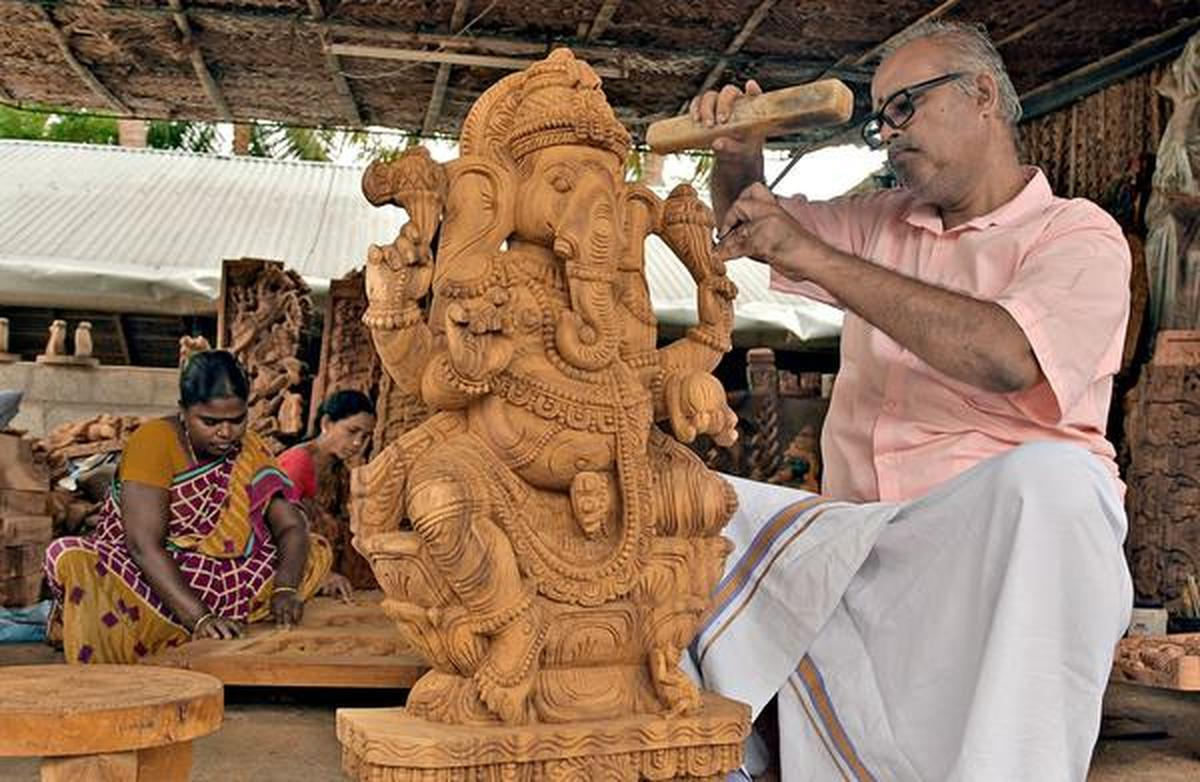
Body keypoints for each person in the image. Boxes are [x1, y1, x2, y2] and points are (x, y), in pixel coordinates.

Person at [686, 20, 1133, 781]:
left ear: (983, 95)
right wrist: (736, 158)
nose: (886, 135)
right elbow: (749, 230)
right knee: (684, 501)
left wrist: (818, 257)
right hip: (858, 550)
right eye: (879, 118)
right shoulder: (881, 219)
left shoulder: (1077, 235)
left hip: (986, 562)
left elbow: (1006, 356)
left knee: (1058, 482)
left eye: (904, 109)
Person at [44, 350, 332, 664]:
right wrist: (201, 619)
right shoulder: (154, 441)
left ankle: (216, 617)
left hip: (224, 573)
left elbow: (290, 525)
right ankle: (183, 625)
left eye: (236, 420)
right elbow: (142, 546)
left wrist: (285, 589)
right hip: (151, 577)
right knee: (69, 556)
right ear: (183, 411)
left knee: (313, 548)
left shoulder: (249, 449)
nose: (225, 432)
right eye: (209, 421)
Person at [278, 389, 377, 597]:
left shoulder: (337, 468)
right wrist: (320, 574)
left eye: (365, 436)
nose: (358, 443)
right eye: (352, 431)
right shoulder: (298, 462)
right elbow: (275, 527)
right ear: (326, 423)